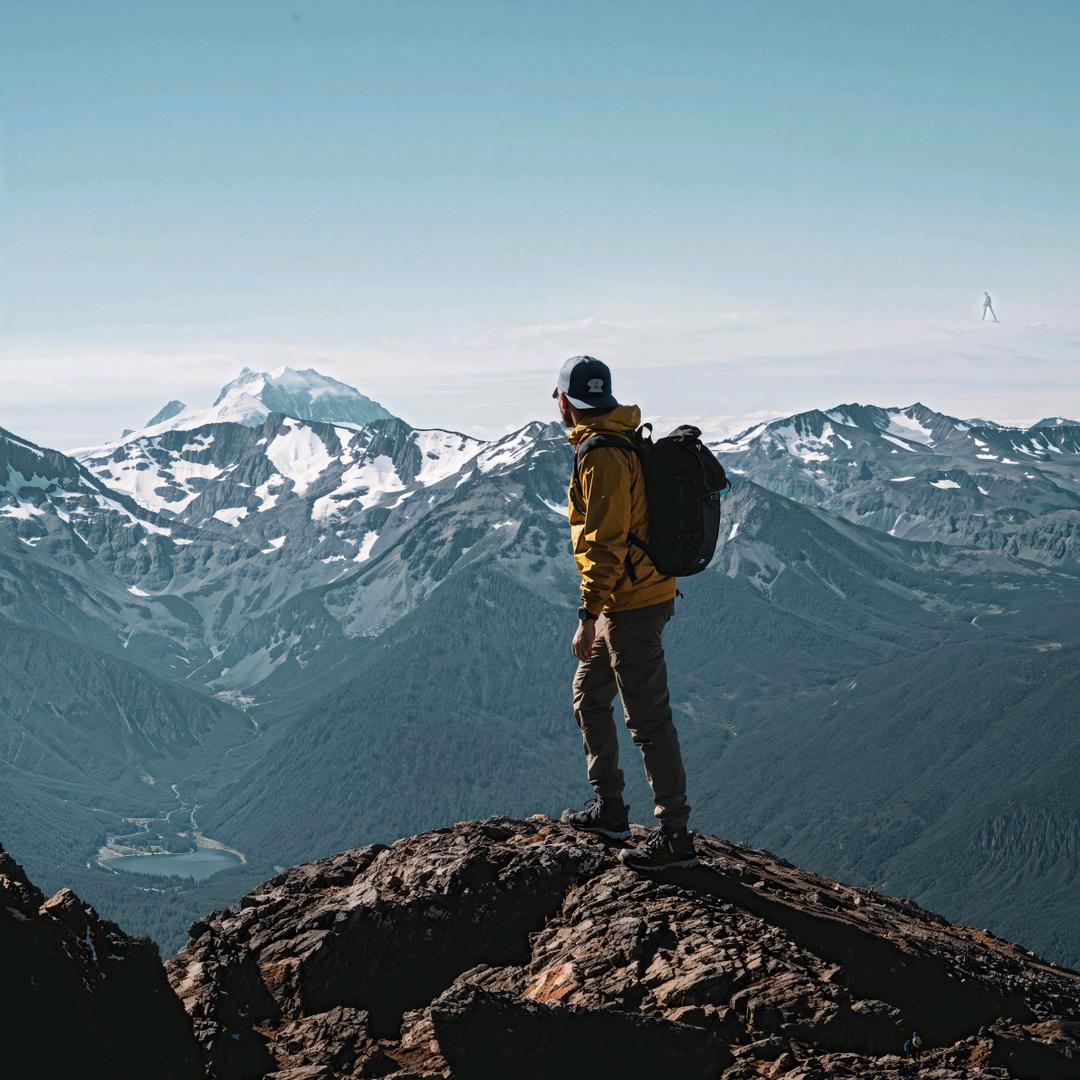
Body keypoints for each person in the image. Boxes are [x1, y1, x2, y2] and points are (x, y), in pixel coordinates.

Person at [552, 355, 697, 869]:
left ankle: (675, 836)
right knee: (589, 695)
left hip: (629, 603)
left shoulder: (600, 454)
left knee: (647, 718)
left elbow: (605, 541)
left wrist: (588, 613)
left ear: (564, 401)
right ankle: (611, 808)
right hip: (634, 593)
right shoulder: (618, 436)